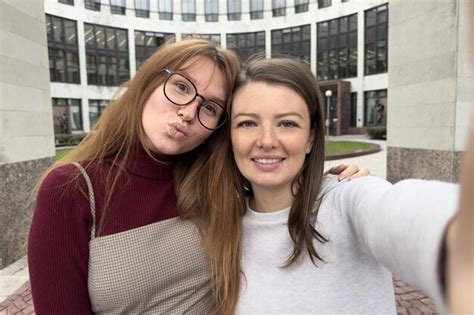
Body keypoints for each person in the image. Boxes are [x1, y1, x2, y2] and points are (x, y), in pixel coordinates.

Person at [28, 40, 367, 314]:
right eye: (180, 87)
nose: (188, 112)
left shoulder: (216, 183)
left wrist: (334, 180)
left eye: (209, 107)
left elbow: (274, 169)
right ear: (147, 83)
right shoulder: (72, 189)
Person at [206, 57, 473, 314]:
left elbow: (400, 213)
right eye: (248, 123)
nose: (266, 140)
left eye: (287, 123)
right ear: (229, 136)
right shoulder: (223, 224)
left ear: (311, 138)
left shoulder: (346, 198)